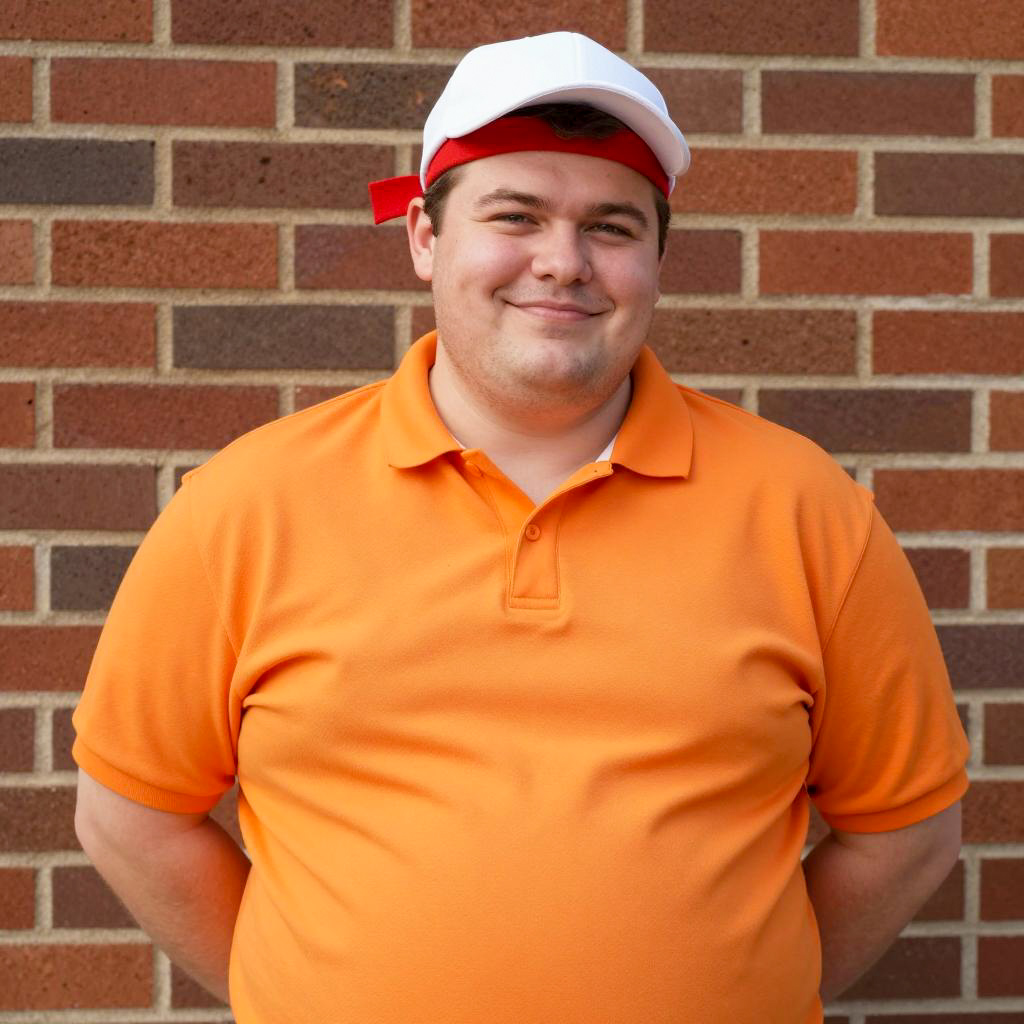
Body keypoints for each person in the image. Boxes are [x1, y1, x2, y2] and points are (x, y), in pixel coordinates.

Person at [72, 31, 969, 1024]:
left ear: (656, 260)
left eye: (611, 227)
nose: (562, 262)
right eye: (515, 216)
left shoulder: (806, 510)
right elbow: (132, 816)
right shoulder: (246, 505)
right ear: (423, 236)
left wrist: (755, 986)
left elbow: (905, 832)